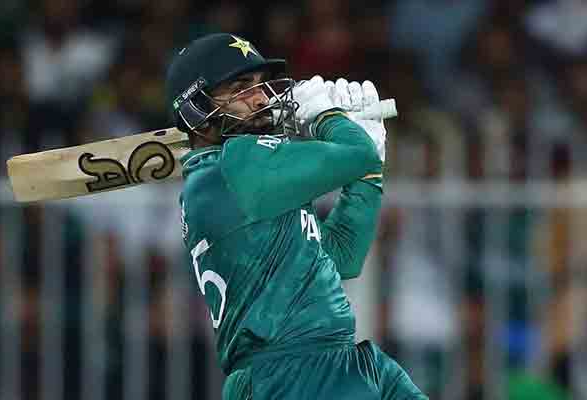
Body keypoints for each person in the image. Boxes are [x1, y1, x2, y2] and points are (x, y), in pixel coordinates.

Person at [166, 32, 428, 400]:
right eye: (241, 87)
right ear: (195, 106)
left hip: (338, 360)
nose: (260, 96)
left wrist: (369, 175)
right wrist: (326, 114)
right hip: (292, 374)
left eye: (260, 85)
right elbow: (356, 155)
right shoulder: (236, 164)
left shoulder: (243, 174)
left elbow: (342, 259)